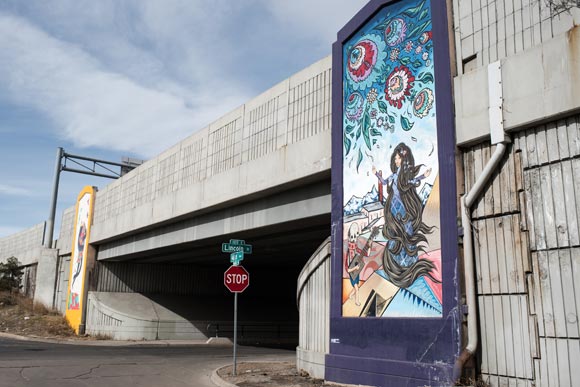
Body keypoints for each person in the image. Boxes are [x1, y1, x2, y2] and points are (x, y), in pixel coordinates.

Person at [372, 142, 439, 288]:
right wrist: (376, 173)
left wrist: (423, 176)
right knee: (396, 235)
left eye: (398, 158)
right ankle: (396, 265)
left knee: (407, 234)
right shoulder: (394, 175)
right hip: (394, 209)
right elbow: (384, 182)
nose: (396, 161)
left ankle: (408, 265)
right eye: (395, 159)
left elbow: (412, 182)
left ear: (403, 159)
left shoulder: (404, 176)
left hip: (403, 209)